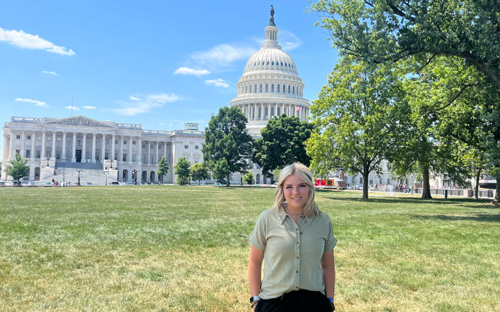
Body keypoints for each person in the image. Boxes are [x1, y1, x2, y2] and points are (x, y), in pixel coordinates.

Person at [248, 162, 336, 311]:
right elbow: (255, 262)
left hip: (314, 303)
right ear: (282, 189)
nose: (295, 192)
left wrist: (330, 300)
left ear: (309, 187)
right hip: (274, 302)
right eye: (289, 186)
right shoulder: (267, 218)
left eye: (301, 185)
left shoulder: (323, 221)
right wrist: (256, 299)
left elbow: (328, 266)